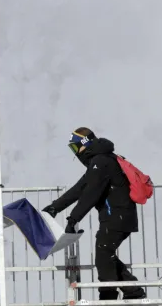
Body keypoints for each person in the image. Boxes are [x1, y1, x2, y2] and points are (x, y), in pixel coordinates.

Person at [42, 128, 147, 302]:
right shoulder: (100, 161)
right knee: (106, 255)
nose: (76, 154)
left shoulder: (101, 162)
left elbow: (91, 194)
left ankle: (109, 297)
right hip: (118, 217)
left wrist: (73, 218)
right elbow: (81, 187)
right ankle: (132, 291)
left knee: (103, 255)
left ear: (85, 144)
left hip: (117, 217)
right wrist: (54, 208)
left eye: (76, 148)